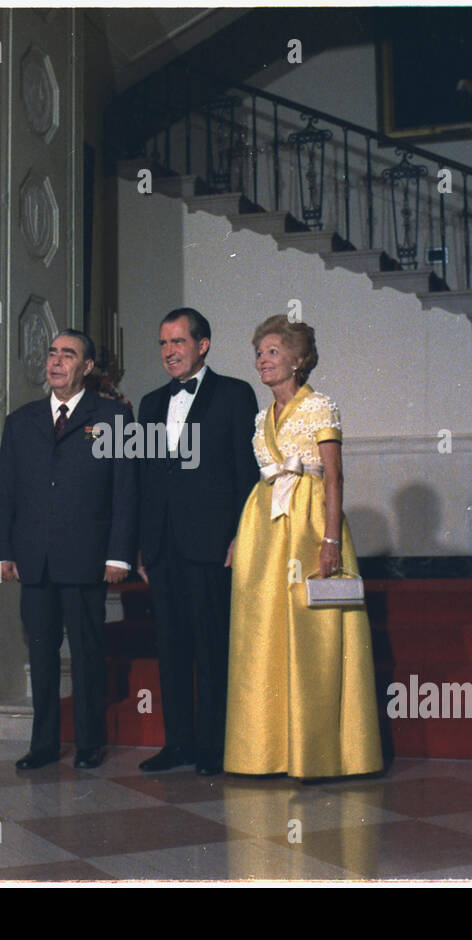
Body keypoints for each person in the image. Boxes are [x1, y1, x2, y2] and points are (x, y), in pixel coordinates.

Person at [224, 315, 384, 779]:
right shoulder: (260, 417)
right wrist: (239, 536)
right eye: (259, 352)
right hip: (264, 528)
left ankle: (318, 754)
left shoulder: (320, 407)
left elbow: (333, 476)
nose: (262, 360)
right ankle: (264, 750)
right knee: (263, 633)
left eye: (273, 351)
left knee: (313, 633)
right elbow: (259, 481)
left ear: (298, 359)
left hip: (310, 524)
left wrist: (330, 539)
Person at [0, 330, 137, 770]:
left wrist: (119, 555)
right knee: (41, 652)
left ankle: (90, 742)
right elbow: (8, 492)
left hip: (87, 559)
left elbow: (125, 491)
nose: (56, 362)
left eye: (67, 355)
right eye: (52, 353)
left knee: (88, 655)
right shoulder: (20, 421)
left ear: (87, 368)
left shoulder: (114, 418)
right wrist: (2, 552)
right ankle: (44, 744)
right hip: (34, 559)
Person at [136, 308, 259, 775]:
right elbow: (144, 479)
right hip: (163, 548)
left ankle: (213, 747)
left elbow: (246, 474)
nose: (169, 352)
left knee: (211, 649)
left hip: (211, 545)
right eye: (164, 344)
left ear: (202, 345)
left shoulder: (234, 394)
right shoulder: (149, 404)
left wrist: (239, 537)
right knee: (171, 649)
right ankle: (178, 744)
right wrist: (143, 545)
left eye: (178, 342)